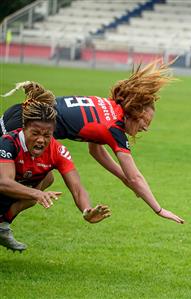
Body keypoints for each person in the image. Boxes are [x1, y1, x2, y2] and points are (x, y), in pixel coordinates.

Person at [1, 60, 184, 224]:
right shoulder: (115, 128)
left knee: (43, 178)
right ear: (134, 113)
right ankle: (3, 221)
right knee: (25, 182)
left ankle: (3, 222)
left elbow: (96, 151)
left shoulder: (109, 107)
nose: (146, 128)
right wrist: (159, 209)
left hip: (19, 114)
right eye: (146, 122)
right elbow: (135, 177)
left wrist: (123, 178)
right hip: (27, 125)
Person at [0, 82, 111, 252]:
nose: (41, 140)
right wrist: (37, 194)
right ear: (24, 128)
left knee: (47, 178)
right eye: (35, 133)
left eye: (47, 135)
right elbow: (4, 183)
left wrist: (87, 209)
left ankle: (2, 225)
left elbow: (78, 188)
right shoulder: (8, 141)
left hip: (13, 188)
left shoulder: (58, 150)